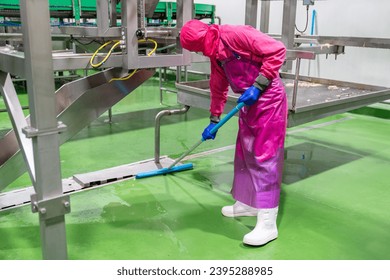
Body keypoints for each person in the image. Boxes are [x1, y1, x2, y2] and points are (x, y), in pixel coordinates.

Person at [180, 19, 288, 246]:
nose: (200, 51)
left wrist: (258, 85)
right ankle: (248, 203)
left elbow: (277, 50)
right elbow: (218, 86)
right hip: (248, 103)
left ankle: (268, 223)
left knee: (264, 156)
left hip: (268, 98)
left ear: (205, 36)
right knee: (245, 152)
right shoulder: (215, 54)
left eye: (198, 46)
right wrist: (214, 118)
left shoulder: (236, 35)